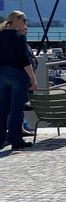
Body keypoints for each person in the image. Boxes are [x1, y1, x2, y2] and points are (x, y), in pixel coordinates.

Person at [0, 11, 38, 149]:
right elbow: (25, 61)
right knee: (16, 109)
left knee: (3, 109)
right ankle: (15, 139)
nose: (26, 23)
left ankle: (1, 139)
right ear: (16, 20)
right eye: (24, 19)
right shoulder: (18, 37)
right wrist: (33, 80)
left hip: (2, 74)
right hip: (17, 75)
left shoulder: (1, 34)